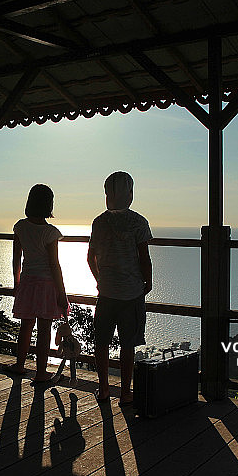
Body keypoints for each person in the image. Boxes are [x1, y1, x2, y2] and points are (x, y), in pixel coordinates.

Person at [87, 171, 153, 405]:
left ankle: (103, 389)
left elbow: (90, 257)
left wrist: (99, 279)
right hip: (131, 294)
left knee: (101, 343)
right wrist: (148, 281)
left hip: (106, 294)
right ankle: (126, 393)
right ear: (130, 194)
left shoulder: (99, 222)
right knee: (128, 346)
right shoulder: (138, 222)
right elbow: (144, 257)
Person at [4, 184, 69, 384]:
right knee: (44, 330)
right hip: (47, 285)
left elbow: (16, 259)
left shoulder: (20, 227)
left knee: (26, 327)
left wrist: (17, 283)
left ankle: (20, 364)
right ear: (49, 205)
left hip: (28, 282)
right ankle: (41, 372)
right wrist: (62, 292)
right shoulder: (50, 233)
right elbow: (54, 264)